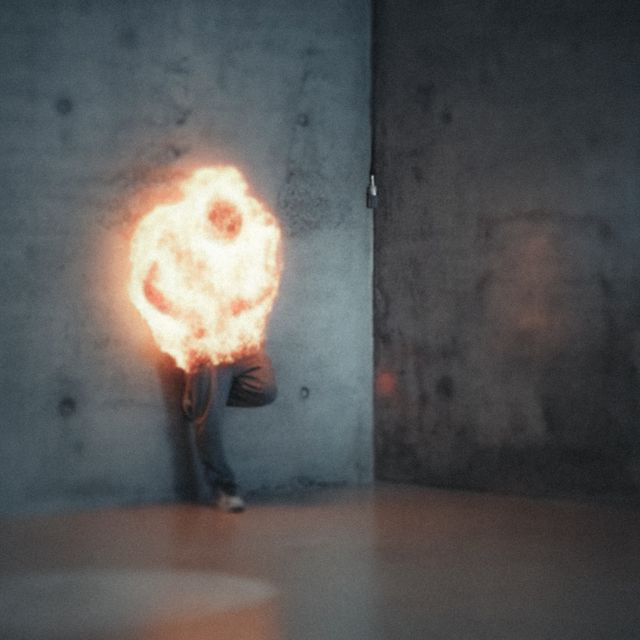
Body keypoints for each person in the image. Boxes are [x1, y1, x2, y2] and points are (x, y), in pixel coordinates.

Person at [181, 350, 277, 513]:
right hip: (208, 352)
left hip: (241, 348)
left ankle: (203, 398)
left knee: (266, 391)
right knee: (209, 415)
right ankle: (224, 488)